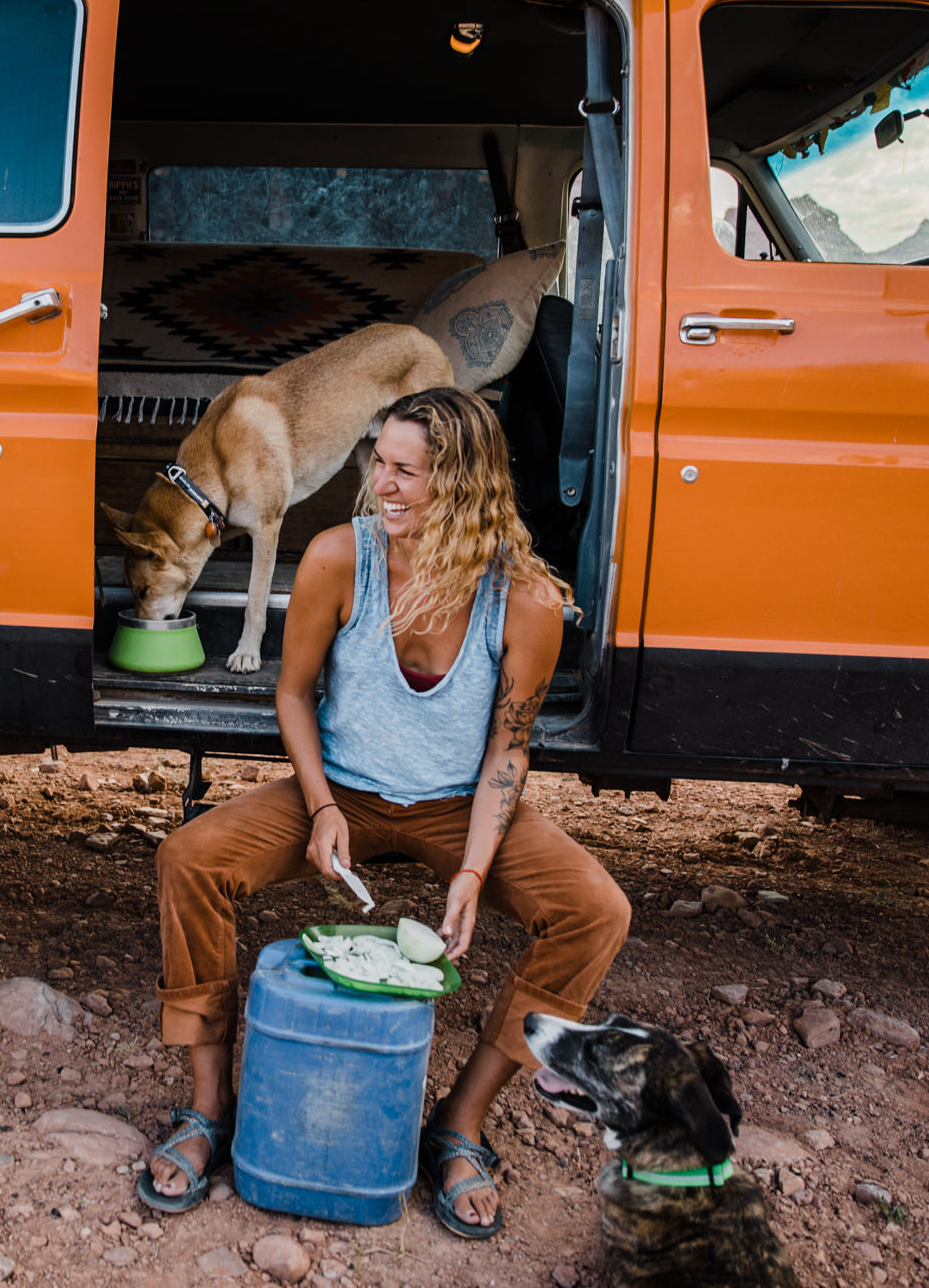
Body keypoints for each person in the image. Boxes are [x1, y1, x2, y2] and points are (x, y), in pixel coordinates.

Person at [142, 387, 632, 1238]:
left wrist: (475, 869)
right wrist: (323, 805)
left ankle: (461, 1120)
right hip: (341, 793)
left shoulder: (526, 600)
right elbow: (292, 694)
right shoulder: (341, 556)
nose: (386, 484)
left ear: (467, 485)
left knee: (595, 911)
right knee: (190, 858)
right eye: (383, 463)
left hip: (454, 806)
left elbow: (507, 751)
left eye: (410, 471)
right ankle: (210, 1105)